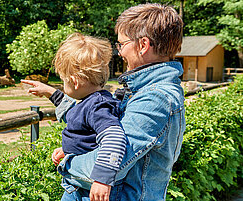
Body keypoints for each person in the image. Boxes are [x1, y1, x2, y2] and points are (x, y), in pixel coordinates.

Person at [23, 3, 186, 201]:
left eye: (122, 44)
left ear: (143, 45)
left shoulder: (155, 98)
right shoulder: (145, 90)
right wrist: (51, 93)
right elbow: (85, 114)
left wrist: (68, 161)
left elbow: (111, 163)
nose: (120, 52)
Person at [23, 32, 128, 200]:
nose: (64, 85)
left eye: (64, 81)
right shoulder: (94, 101)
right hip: (79, 185)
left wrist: (103, 178)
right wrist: (70, 150)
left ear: (75, 81)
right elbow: (82, 125)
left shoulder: (97, 106)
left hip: (91, 188)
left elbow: (114, 138)